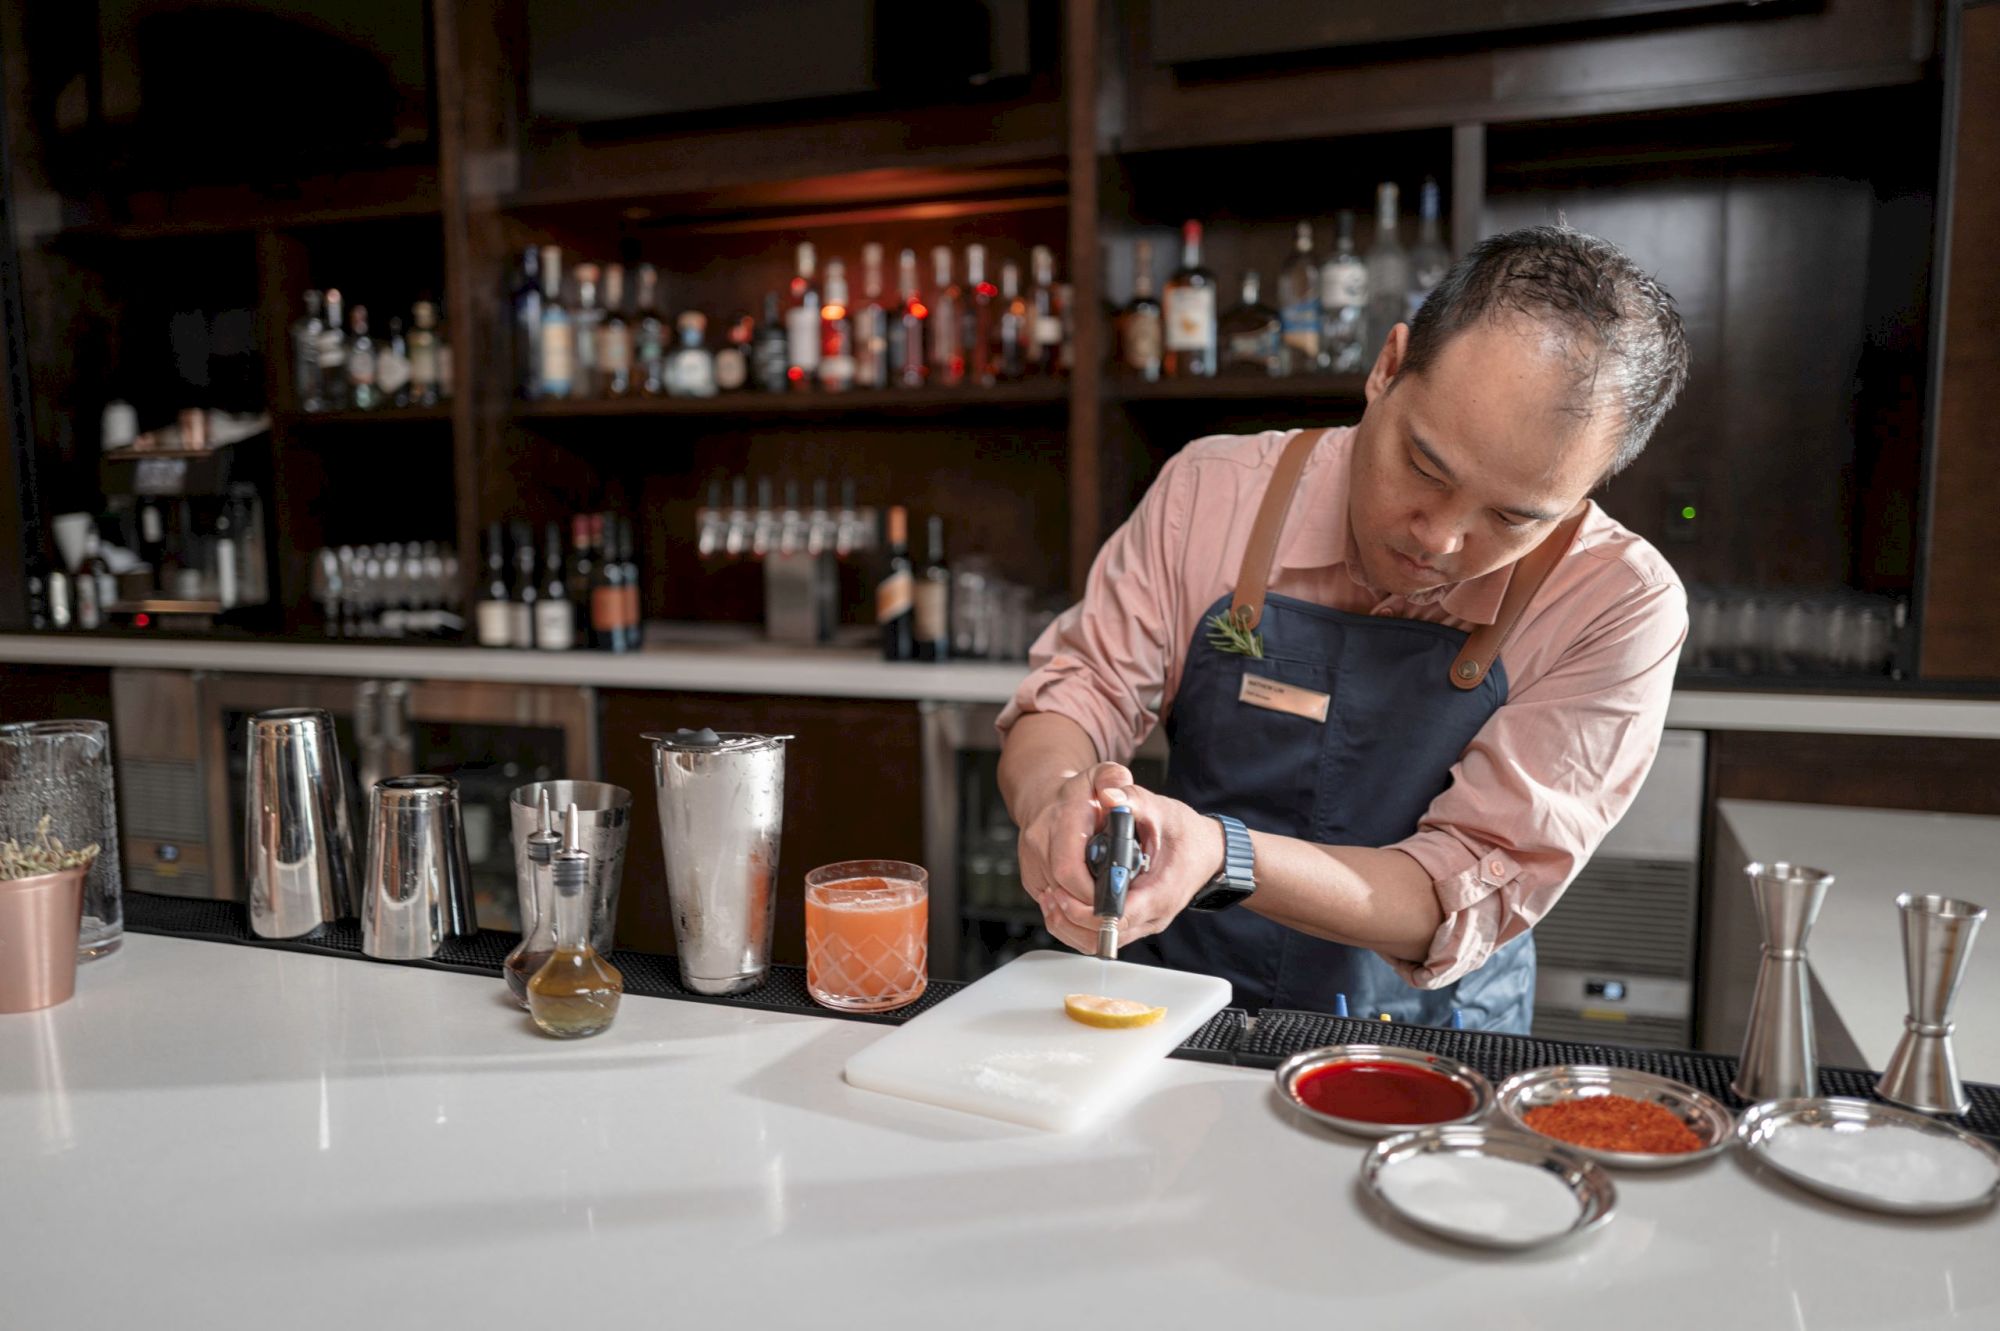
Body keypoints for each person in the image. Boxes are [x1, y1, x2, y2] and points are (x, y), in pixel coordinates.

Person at [996, 225, 1691, 1032]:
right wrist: (1055, 803)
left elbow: (1456, 886)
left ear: (1581, 492)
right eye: (1425, 466)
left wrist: (1224, 854)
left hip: (1427, 1042)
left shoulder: (1617, 603)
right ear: (1386, 368)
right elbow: (1078, 694)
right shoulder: (1212, 491)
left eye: (1512, 516)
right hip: (1178, 1009)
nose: (1439, 537)